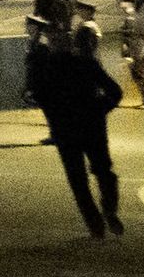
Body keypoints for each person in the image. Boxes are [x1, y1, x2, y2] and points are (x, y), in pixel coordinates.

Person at [22, 15, 126, 240]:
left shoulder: (45, 70)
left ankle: (95, 226)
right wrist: (100, 109)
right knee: (104, 172)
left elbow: (34, 97)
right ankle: (109, 210)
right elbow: (115, 93)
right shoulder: (86, 64)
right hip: (92, 127)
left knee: (78, 181)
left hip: (64, 130)